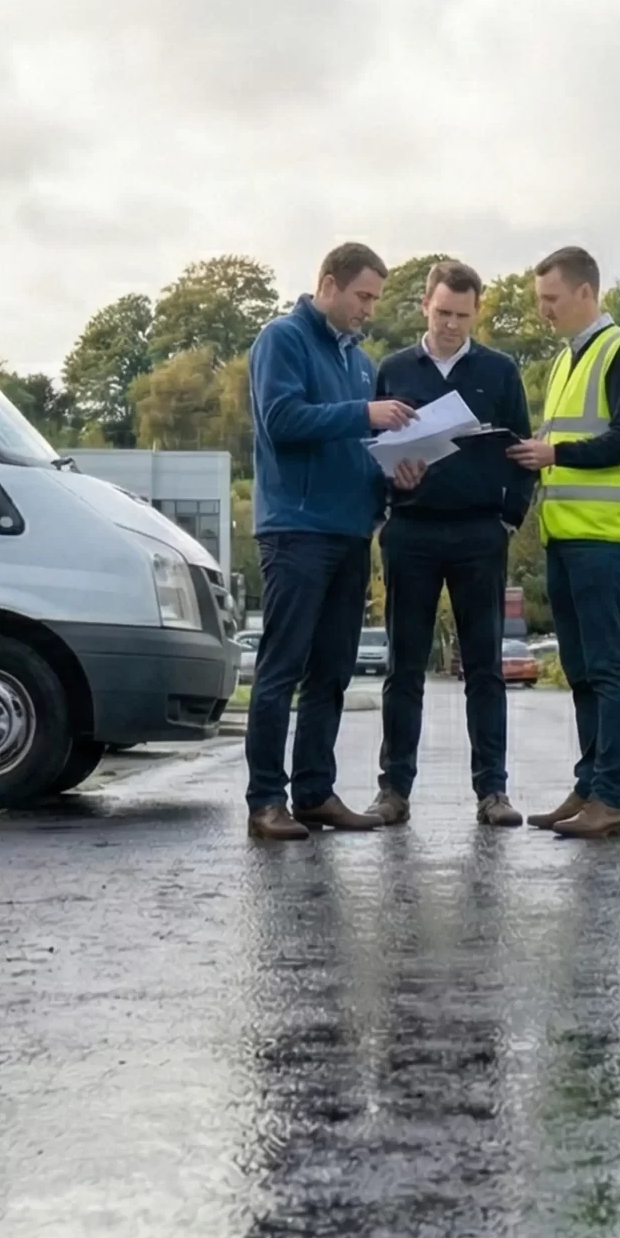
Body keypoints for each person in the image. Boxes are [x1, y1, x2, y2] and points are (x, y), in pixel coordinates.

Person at [243, 243, 423, 841]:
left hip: (350, 531)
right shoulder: (282, 339)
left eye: (374, 299)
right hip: (296, 529)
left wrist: (392, 473)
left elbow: (355, 445)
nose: (369, 309)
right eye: (362, 296)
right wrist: (365, 413)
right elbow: (283, 421)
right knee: (281, 668)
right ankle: (267, 801)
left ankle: (314, 793)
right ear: (328, 285)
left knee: (332, 673)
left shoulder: (360, 363)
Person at [364, 261, 535, 830]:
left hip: (479, 533)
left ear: (477, 312)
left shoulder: (499, 371)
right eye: (442, 313)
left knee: (485, 667)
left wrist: (509, 519)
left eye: (463, 316)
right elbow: (368, 450)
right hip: (411, 532)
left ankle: (493, 791)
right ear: (424, 306)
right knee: (404, 666)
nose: (451, 325)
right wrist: (392, 485)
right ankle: (394, 790)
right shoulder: (392, 369)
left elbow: (522, 452)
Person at [506, 245, 620, 839]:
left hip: (606, 538)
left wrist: (555, 453)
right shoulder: (566, 361)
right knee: (582, 669)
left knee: (609, 668)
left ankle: (611, 798)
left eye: (551, 299)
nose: (544, 311)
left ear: (585, 293)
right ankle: (589, 784)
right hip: (566, 537)